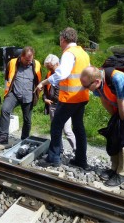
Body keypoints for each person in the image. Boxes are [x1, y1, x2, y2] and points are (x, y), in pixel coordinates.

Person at [80, 66, 124, 186]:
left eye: (86, 86)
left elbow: (122, 102)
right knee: (114, 135)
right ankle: (114, 168)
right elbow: (104, 99)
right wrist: (115, 117)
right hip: (118, 106)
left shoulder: (117, 79)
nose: (85, 88)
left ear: (97, 81)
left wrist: (123, 122)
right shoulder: (96, 82)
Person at [35, 27, 90, 170]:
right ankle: (81, 159)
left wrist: (44, 82)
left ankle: (54, 158)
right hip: (82, 96)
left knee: (56, 125)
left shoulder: (68, 54)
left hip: (69, 98)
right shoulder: (83, 53)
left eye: (60, 40)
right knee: (78, 128)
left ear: (63, 39)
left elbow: (62, 74)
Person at [0, 46, 42, 145]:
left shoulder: (36, 64)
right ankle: (3, 137)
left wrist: (37, 93)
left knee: (27, 120)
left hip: (28, 96)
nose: (29, 62)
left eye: (30, 60)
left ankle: (24, 139)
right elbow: (7, 77)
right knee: (5, 109)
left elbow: (38, 80)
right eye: (27, 60)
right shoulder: (12, 62)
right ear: (21, 56)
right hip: (14, 94)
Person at [43, 54, 76, 151]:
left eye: (51, 68)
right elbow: (45, 89)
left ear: (57, 63)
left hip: (64, 105)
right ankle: (59, 149)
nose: (51, 71)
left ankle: (77, 150)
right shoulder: (49, 74)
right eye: (48, 68)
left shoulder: (65, 73)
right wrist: (45, 98)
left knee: (67, 130)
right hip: (52, 105)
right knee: (56, 130)